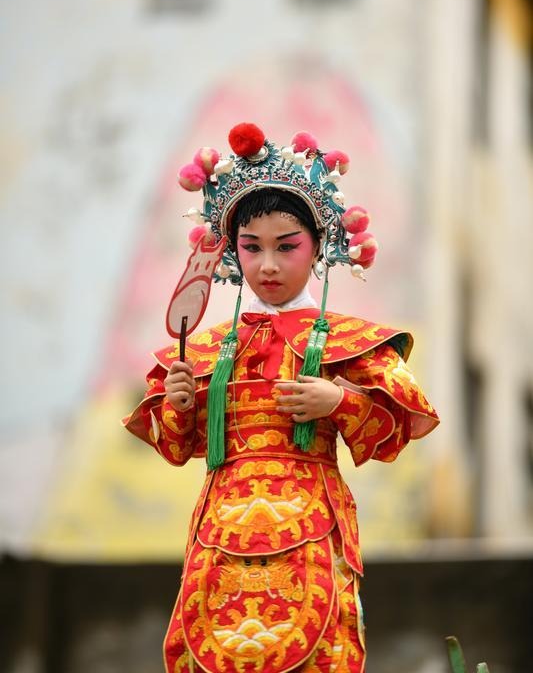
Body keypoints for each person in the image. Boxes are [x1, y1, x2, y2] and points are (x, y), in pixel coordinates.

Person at [122, 123, 439, 673]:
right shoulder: (203, 348)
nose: (268, 265)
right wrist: (178, 405)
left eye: (286, 247)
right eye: (252, 247)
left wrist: (338, 402)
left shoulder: (351, 342)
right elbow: (176, 447)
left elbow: (397, 425)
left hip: (310, 529)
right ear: (232, 251)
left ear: (319, 247)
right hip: (219, 534)